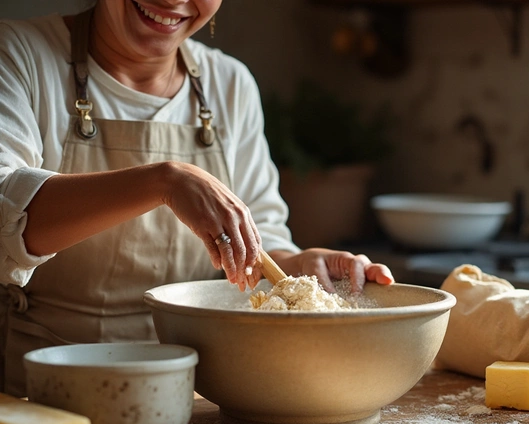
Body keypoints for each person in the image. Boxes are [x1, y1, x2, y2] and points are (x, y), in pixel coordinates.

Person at [0, 0, 394, 396]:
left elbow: (260, 241)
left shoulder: (229, 84)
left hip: (195, 390)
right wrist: (163, 181)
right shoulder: (19, 53)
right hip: (45, 386)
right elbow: (5, 221)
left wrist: (298, 268)